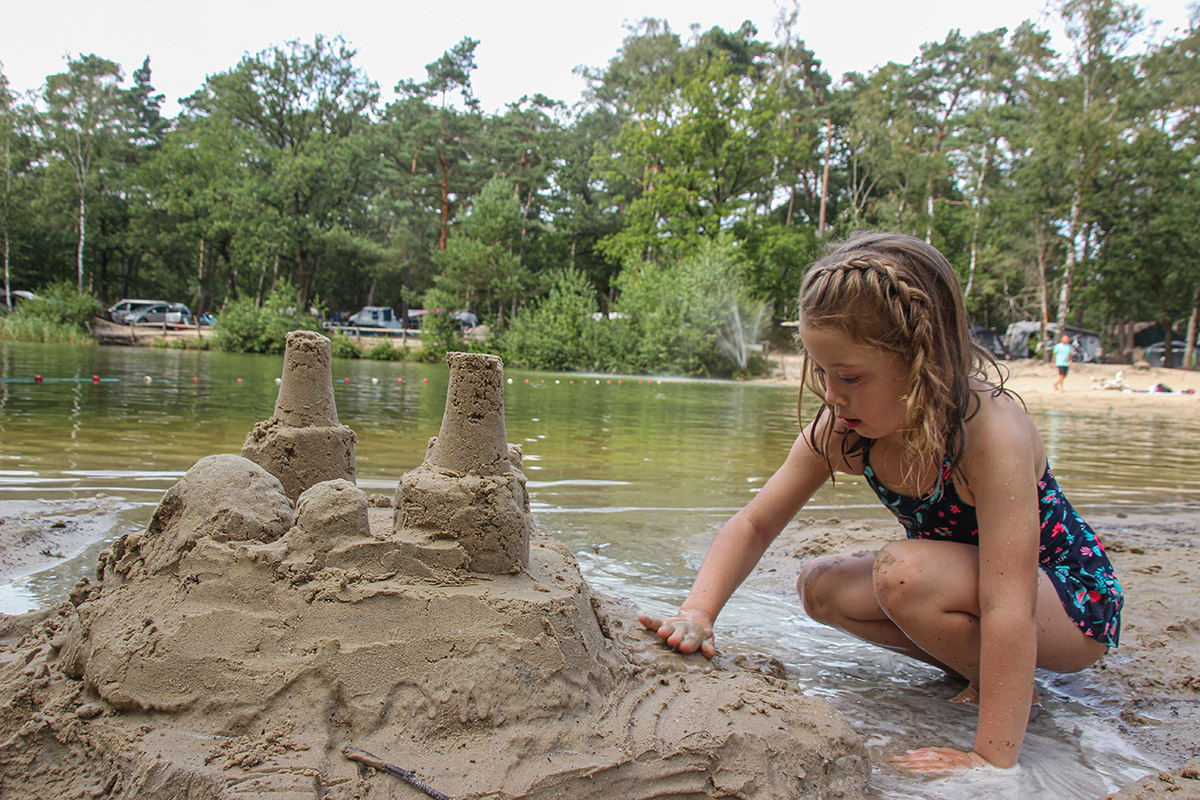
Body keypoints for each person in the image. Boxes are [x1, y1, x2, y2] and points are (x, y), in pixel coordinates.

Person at [639, 232, 1123, 777]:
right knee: (821, 587)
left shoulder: (989, 434)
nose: (832, 394)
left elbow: (1009, 603)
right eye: (822, 372)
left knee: (903, 573)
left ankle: (1010, 693)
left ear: (922, 359)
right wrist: (697, 613)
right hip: (966, 588)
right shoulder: (845, 428)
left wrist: (990, 759)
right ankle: (983, 671)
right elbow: (755, 523)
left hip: (1066, 603)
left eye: (849, 376)